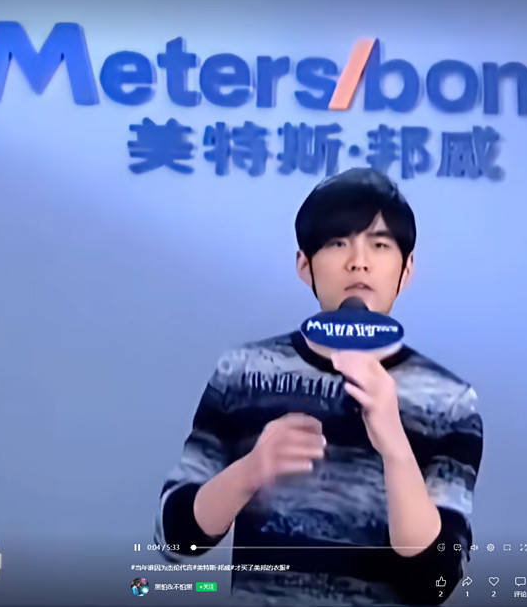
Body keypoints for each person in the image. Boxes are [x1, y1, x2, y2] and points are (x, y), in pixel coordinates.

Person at [153, 168, 484, 606]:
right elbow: (174, 538)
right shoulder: (244, 371)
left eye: (380, 245)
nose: (358, 261)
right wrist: (251, 470)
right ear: (304, 265)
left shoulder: (449, 400)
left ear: (406, 270)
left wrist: (395, 449)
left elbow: (436, 582)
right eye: (337, 243)